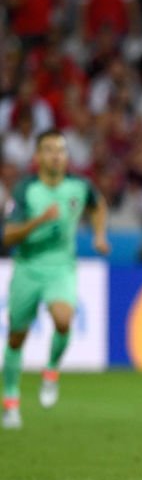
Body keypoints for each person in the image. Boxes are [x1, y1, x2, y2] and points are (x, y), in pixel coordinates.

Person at [2, 129, 109, 430]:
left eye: (61, 150)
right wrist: (39, 220)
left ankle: (50, 371)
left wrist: (100, 235)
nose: (56, 155)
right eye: (49, 150)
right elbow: (8, 235)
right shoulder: (26, 190)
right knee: (16, 338)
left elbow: (98, 205)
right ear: (37, 157)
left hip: (61, 267)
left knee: (63, 320)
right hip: (27, 267)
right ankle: (11, 403)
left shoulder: (79, 185)